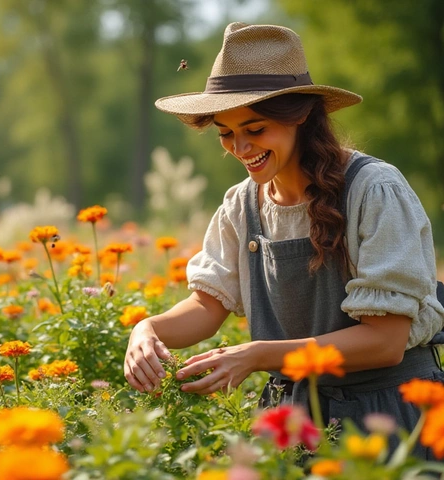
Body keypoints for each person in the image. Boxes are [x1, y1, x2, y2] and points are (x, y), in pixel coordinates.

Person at [124, 22, 444, 458]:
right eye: (225, 132)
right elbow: (207, 305)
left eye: (255, 129)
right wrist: (147, 329)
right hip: (292, 421)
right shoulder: (242, 204)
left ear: (301, 117)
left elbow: (385, 341)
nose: (239, 147)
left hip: (388, 415)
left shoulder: (373, 190)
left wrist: (257, 355)